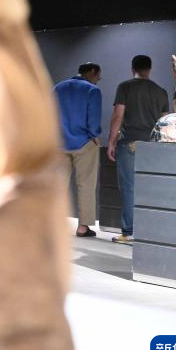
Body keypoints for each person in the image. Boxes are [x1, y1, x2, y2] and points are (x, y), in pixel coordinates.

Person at [107, 54, 168, 245]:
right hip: (153, 146)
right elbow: (164, 122)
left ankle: (129, 232)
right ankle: (150, 232)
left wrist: (111, 142)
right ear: (150, 69)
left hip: (130, 143)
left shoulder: (125, 87)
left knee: (129, 188)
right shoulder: (161, 91)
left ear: (132, 68)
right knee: (152, 188)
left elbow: (118, 116)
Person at [53, 62, 102, 237]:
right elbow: (94, 118)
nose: (99, 79)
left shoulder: (58, 88)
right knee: (86, 184)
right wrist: (95, 134)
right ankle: (82, 227)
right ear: (92, 72)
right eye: (98, 75)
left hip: (60, 142)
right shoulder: (92, 90)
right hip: (84, 142)